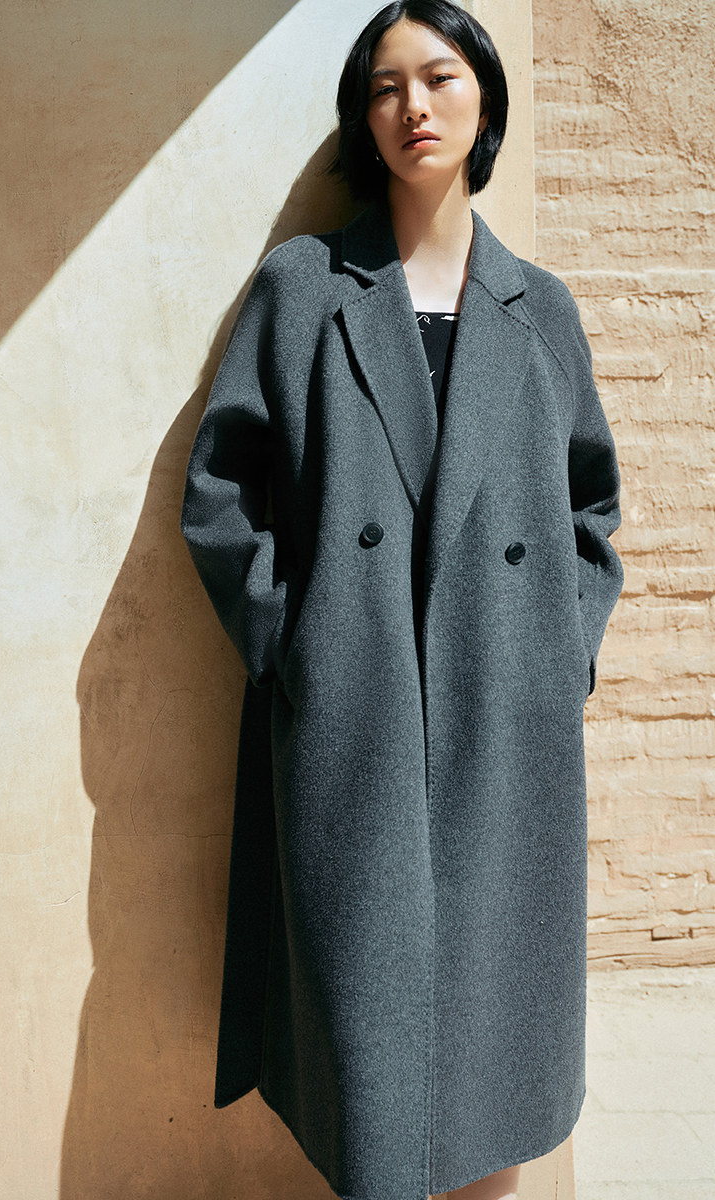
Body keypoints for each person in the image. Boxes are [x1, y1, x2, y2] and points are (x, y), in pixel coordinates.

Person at [180, 2, 624, 1199]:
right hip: (355, 719)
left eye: (439, 77)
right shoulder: (306, 288)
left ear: (485, 99)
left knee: (495, 1061)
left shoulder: (540, 311)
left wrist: (557, 652)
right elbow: (220, 492)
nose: (413, 106)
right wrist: (297, 640)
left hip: (504, 720)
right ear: (361, 118)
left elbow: (591, 510)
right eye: (385, 87)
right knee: (363, 1058)